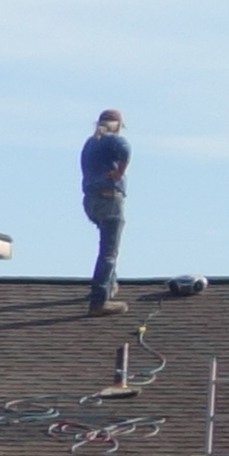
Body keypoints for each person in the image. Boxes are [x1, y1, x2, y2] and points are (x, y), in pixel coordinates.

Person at [80, 110, 132, 309]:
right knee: (109, 252)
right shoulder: (113, 140)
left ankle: (109, 284)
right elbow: (126, 151)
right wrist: (119, 172)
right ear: (118, 126)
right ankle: (100, 300)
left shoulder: (90, 143)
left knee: (106, 243)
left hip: (91, 200)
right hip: (109, 198)